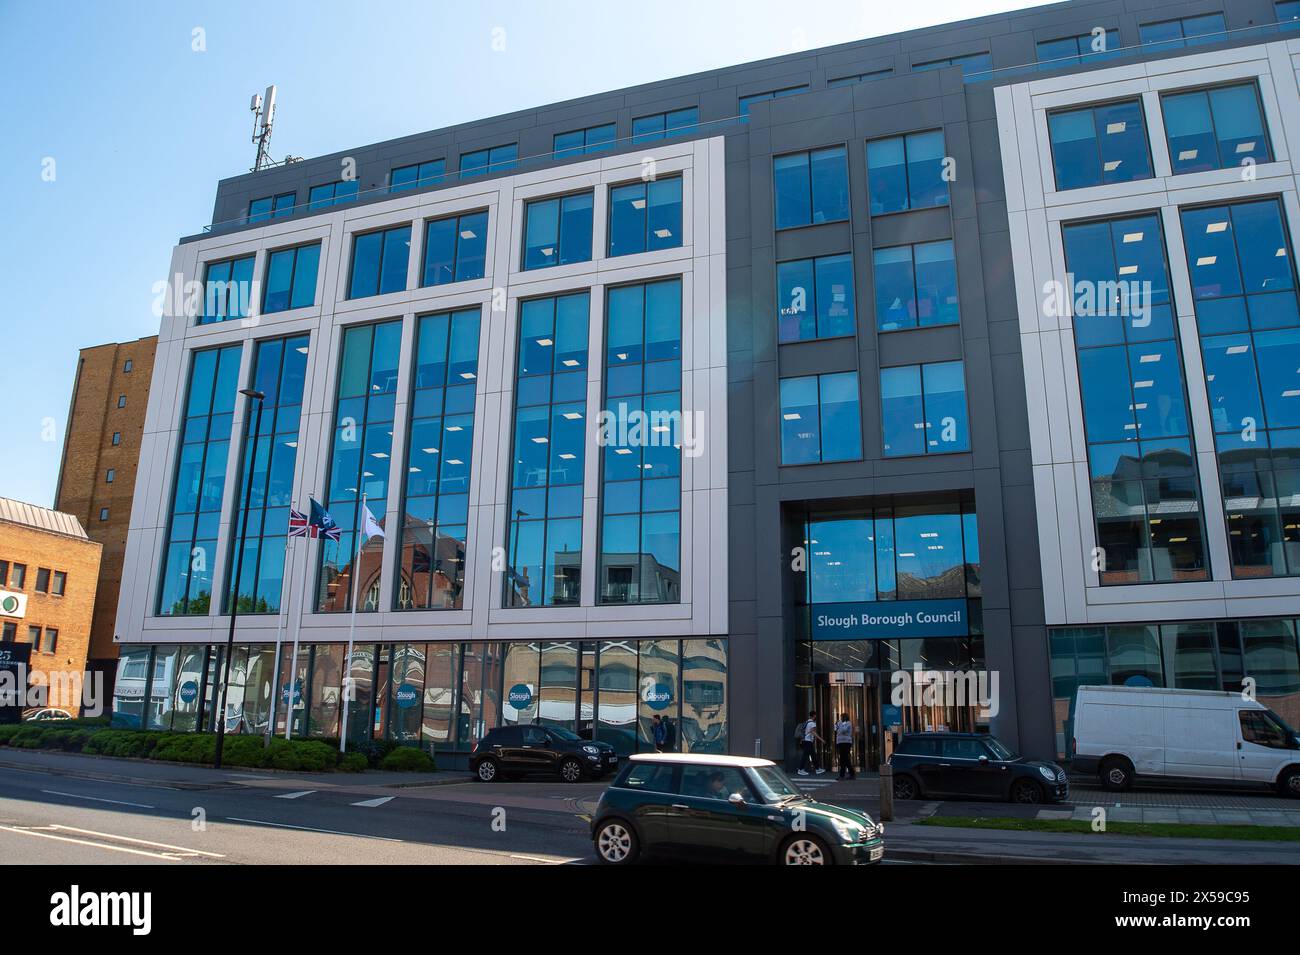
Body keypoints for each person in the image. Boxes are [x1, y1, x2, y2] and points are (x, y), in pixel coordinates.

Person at [798, 711, 825, 776]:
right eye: (815, 715)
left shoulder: (806, 722)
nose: (816, 716)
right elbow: (813, 732)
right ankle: (800, 769)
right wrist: (821, 740)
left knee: (813, 755)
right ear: (814, 715)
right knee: (805, 755)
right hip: (808, 741)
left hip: (804, 741)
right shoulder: (812, 723)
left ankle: (817, 769)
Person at [834, 712, 856, 780]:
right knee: (843, 759)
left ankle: (846, 774)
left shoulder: (848, 723)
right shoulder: (840, 723)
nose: (841, 718)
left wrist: (839, 726)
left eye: (842, 717)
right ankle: (849, 773)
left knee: (845, 758)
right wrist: (838, 727)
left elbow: (843, 730)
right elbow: (835, 730)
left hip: (846, 742)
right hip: (840, 742)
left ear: (845, 717)